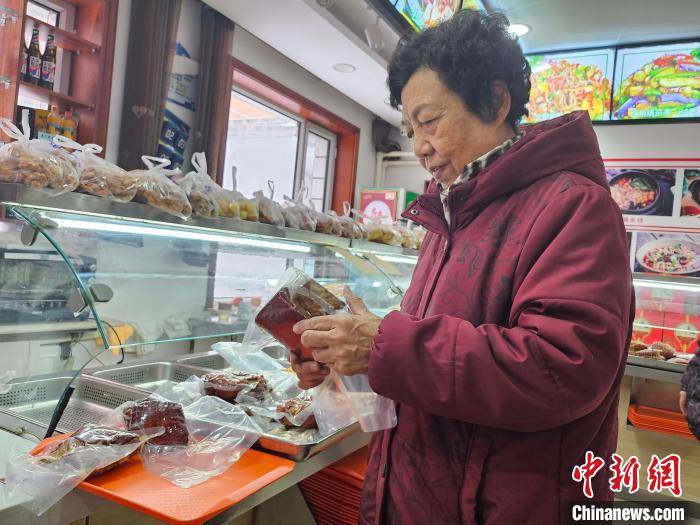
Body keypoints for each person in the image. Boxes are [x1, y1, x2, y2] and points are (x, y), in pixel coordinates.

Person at [291, 10, 634, 525]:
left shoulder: (574, 206)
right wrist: (348, 365)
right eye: (409, 129)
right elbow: (434, 360)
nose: (419, 146)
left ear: (495, 102)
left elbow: (564, 366)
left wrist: (382, 345)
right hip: (415, 493)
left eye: (429, 122)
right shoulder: (450, 213)